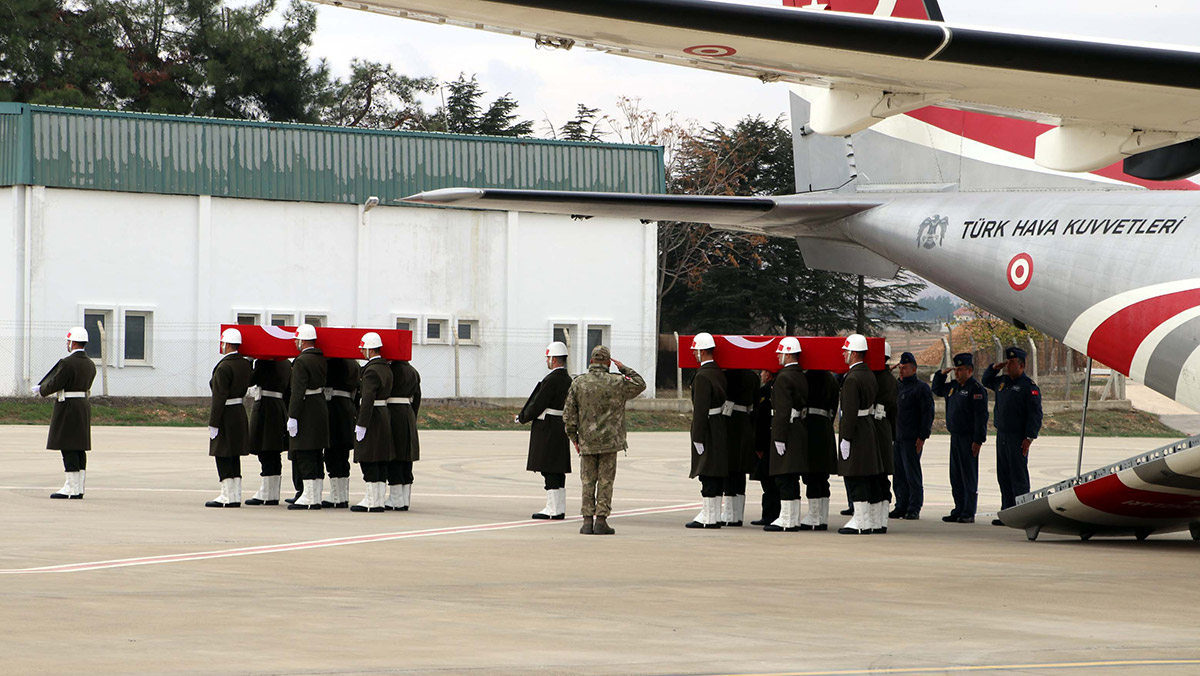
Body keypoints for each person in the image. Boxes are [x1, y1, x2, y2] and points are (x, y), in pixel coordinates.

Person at [563, 345, 646, 535]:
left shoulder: (579, 383)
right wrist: (623, 367)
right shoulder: (617, 382)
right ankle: (601, 520)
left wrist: (573, 437)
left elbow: (568, 414)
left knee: (587, 481)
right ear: (608, 363)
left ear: (591, 361)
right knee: (606, 481)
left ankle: (586, 521)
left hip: (587, 440)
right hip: (610, 441)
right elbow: (640, 384)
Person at [33, 326, 97, 500]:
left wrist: (41, 390)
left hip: (68, 406)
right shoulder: (90, 364)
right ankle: (78, 488)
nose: (68, 344)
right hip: (83, 406)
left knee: (68, 446)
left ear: (73, 342)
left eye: (69, 341)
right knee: (79, 447)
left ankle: (70, 487)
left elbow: (56, 383)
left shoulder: (67, 363)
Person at [983, 347, 1043, 524]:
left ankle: (1022, 515)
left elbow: (1035, 414)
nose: (1008, 366)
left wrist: (1029, 437)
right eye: (1007, 362)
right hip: (1001, 435)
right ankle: (1007, 513)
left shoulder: (1028, 386)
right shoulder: (1002, 381)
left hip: (1017, 437)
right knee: (1004, 475)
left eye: (1012, 363)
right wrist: (996, 367)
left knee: (1018, 476)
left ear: (1022, 365)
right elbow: (986, 380)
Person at [517, 341, 572, 520]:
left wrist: (523, 417)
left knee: (548, 468)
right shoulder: (567, 379)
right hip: (560, 425)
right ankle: (559, 507)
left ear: (554, 359)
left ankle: (552, 509)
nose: (547, 361)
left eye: (548, 357)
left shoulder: (552, 379)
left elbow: (539, 403)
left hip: (547, 427)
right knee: (557, 468)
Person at [932, 353, 989, 523]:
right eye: (955, 370)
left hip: (968, 438)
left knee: (968, 476)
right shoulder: (953, 387)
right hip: (955, 437)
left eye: (960, 370)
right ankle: (958, 508)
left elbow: (981, 417)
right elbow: (936, 389)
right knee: (956, 476)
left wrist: (978, 440)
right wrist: (941, 374)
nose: (956, 373)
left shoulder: (976, 390)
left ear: (969, 370)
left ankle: (968, 511)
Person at [837, 334, 881, 535]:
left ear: (854, 353)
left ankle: (861, 521)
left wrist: (845, 438)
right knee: (867, 475)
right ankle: (868, 520)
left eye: (846, 351)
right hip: (868, 427)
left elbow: (849, 412)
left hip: (856, 431)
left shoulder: (852, 378)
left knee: (856, 476)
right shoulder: (869, 374)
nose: (844, 354)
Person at [685, 332, 729, 530]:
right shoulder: (718, 372)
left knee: (707, 471)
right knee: (715, 470)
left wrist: (698, 437)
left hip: (708, 426)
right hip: (718, 424)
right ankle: (713, 515)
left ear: (702, 351)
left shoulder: (703, 375)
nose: (694, 354)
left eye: (696, 351)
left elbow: (700, 410)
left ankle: (709, 517)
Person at [205, 328, 253, 508]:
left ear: (226, 344)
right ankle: (235, 495)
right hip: (239, 412)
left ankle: (227, 495)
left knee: (223, 453)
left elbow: (219, 396)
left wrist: (214, 422)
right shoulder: (244, 364)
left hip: (225, 413)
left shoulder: (225, 366)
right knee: (233, 454)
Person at [765, 337, 807, 532]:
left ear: (788, 354)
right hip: (798, 427)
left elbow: (782, 411)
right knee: (792, 476)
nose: (778, 356)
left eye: (780, 353)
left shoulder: (784, 378)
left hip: (786, 430)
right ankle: (792, 518)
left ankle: (787, 519)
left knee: (784, 476)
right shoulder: (800, 375)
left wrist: (779, 437)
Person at [286, 324, 330, 510]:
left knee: (304, 451)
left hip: (306, 410)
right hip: (319, 406)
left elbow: (297, 391)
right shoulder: (321, 359)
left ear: (302, 340)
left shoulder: (301, 361)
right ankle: (315, 495)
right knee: (316, 453)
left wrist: (293, 415)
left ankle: (310, 497)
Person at [351, 333, 393, 513]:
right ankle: (378, 499)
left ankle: (371, 499)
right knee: (380, 458)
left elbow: (367, 399)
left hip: (372, 417)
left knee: (369, 457)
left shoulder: (371, 370)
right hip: (383, 414)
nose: (361, 351)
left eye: (363, 348)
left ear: (370, 349)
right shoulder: (385, 368)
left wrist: (361, 424)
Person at [891, 351, 934, 520]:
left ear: (914, 369)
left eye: (905, 368)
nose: (901, 371)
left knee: (912, 475)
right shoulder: (897, 386)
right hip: (898, 437)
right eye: (900, 368)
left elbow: (927, 414)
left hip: (912, 439)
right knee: (898, 474)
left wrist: (922, 436)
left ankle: (914, 507)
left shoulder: (921, 388)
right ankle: (901, 505)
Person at [246, 357, 291, 506]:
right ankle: (271, 493)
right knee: (273, 452)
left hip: (266, 408)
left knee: (265, 451)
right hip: (279, 407)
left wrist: (248, 362)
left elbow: (249, 380)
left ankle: (267, 493)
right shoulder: (286, 363)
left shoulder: (264, 361)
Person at [799, 367, 839, 530]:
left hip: (811, 426)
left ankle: (814, 516)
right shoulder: (831, 379)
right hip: (825, 426)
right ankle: (822, 516)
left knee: (812, 474)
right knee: (822, 476)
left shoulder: (809, 377)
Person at [385, 347, 422, 511]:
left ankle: (396, 498)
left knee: (394, 455)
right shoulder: (413, 371)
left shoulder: (391, 370)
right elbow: (417, 398)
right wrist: (411, 415)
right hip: (408, 412)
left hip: (393, 413)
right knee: (406, 456)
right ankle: (404, 499)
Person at [721, 368, 758, 527]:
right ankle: (737, 513)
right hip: (745, 422)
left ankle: (729, 514)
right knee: (739, 470)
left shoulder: (727, 375)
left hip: (730, 424)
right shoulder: (753, 376)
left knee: (729, 468)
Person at [322, 357, 360, 508]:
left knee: (332, 454)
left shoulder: (334, 362)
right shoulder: (354, 364)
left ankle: (337, 496)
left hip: (334, 408)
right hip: (347, 407)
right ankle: (342, 495)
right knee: (342, 455)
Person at [870, 342, 898, 534]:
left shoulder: (875, 378)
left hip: (875, 426)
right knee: (881, 476)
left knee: (874, 473)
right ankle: (881, 519)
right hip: (885, 426)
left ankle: (875, 518)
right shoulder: (889, 379)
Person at [749, 369, 780, 526]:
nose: (760, 375)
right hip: (775, 439)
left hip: (766, 442)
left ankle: (770, 514)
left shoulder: (765, 392)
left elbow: (760, 421)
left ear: (768, 375)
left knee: (768, 482)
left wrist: (758, 446)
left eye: (762, 372)